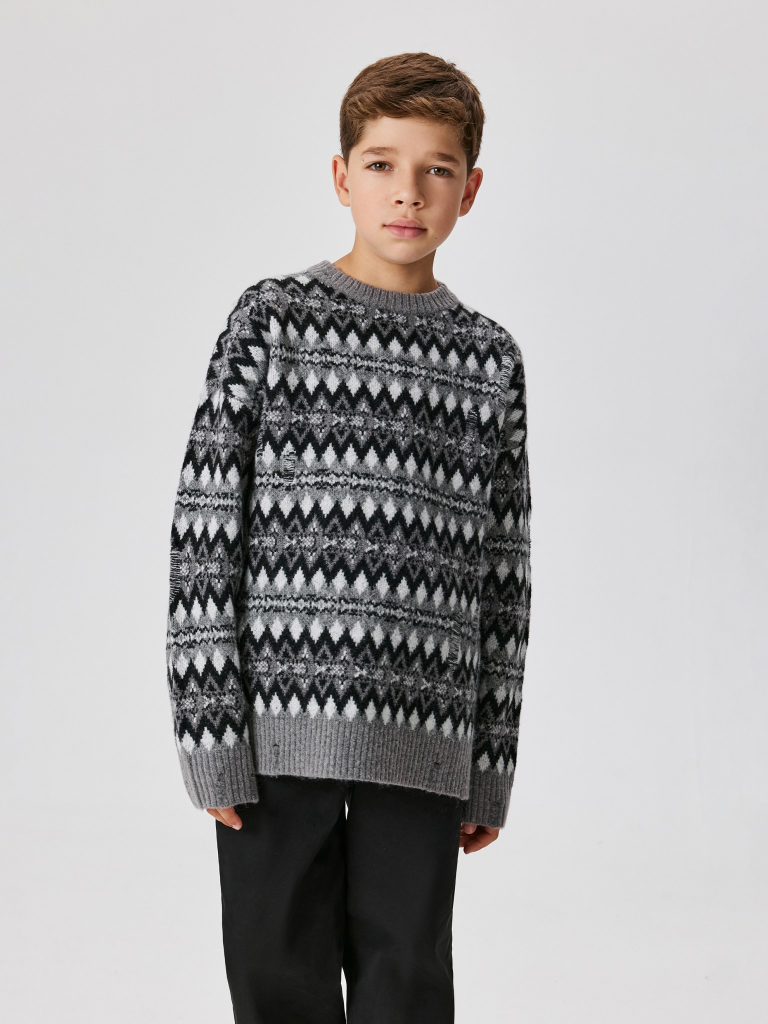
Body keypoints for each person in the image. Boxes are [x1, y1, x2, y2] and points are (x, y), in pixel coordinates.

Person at [164, 50, 532, 1024]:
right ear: (340, 176)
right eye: (381, 164)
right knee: (274, 974)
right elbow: (204, 530)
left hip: (427, 735)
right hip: (273, 732)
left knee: (407, 981)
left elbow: (504, 572)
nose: (407, 191)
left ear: (470, 190)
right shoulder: (273, 321)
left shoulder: (490, 360)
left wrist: (490, 759)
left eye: (437, 169)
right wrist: (209, 726)